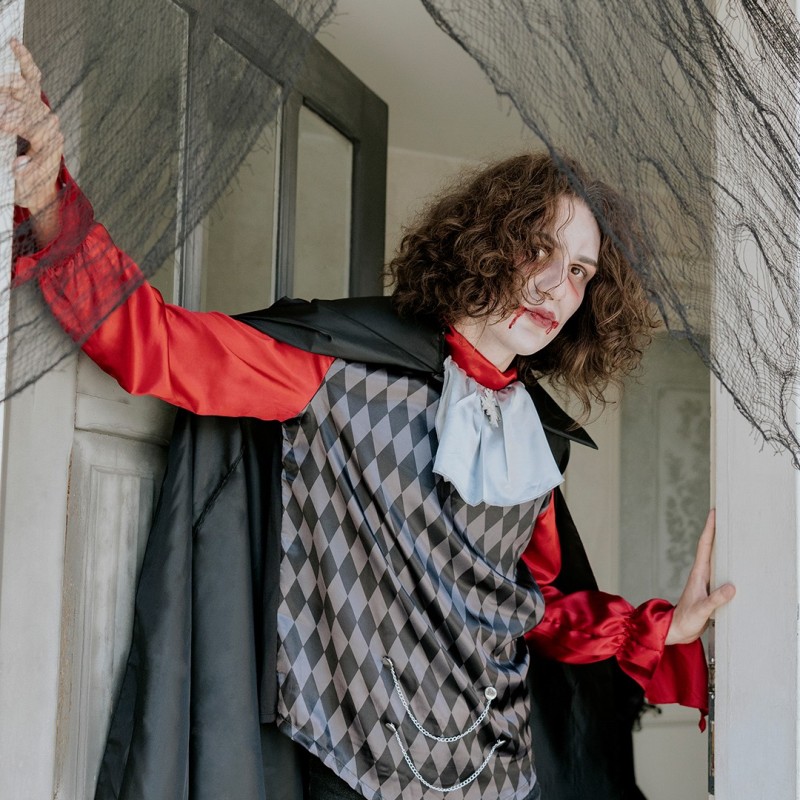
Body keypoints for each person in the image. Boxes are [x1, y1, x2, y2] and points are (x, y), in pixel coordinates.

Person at [3, 40, 734, 800]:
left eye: (580, 271)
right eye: (538, 249)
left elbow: (535, 607)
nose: (556, 286)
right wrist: (50, 200)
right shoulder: (334, 370)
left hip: (500, 774)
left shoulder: (533, 436)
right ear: (488, 244)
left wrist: (657, 630)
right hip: (356, 769)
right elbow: (154, 345)